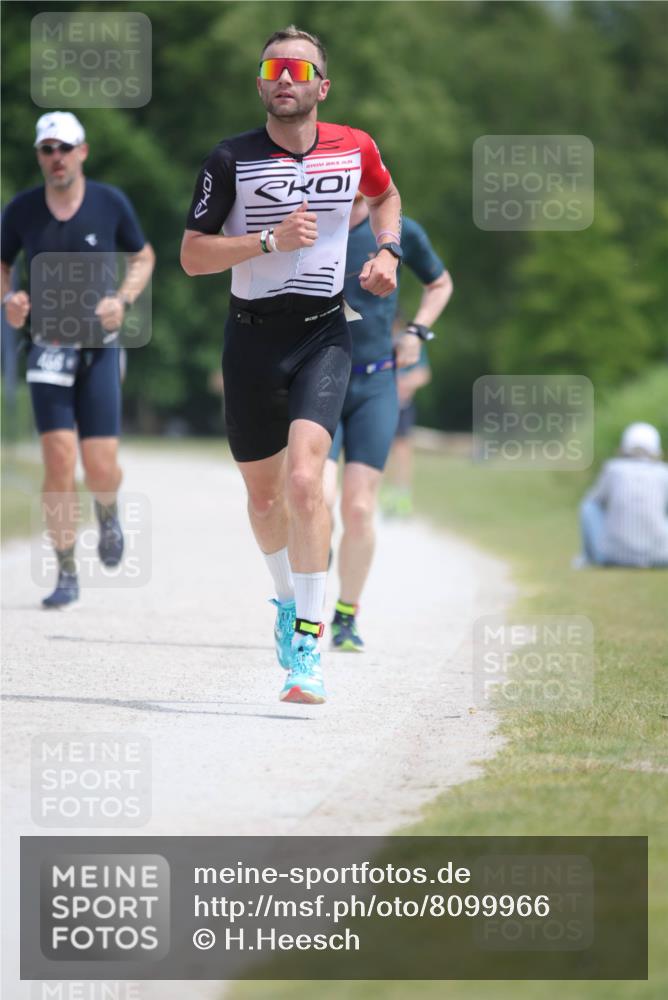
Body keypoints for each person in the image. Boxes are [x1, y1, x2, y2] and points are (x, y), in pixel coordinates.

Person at [180, 26, 401, 704]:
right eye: (273, 67)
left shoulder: (354, 145)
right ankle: (285, 602)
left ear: (320, 87)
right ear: (260, 84)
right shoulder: (230, 159)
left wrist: (387, 251)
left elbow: (386, 195)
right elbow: (192, 254)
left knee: (308, 481)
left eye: (298, 69)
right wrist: (267, 240)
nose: (285, 78)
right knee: (265, 497)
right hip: (250, 339)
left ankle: (307, 644)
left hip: (323, 335)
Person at [1, 111, 155, 608]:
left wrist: (123, 301)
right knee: (59, 461)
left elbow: (144, 256)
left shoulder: (109, 203)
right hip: (47, 347)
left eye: (65, 148)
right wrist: (10, 301)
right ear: (40, 156)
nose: (56, 158)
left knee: (101, 466)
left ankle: (107, 515)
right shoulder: (22, 210)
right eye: (47, 150)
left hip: (100, 350)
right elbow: (2, 266)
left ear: (82, 151)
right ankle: (66, 571)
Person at [323, 196, 452, 650]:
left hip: (376, 384)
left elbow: (440, 283)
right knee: (315, 498)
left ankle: (345, 616)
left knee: (358, 509)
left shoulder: (399, 234)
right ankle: (304, 588)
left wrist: (417, 332)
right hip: (319, 381)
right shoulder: (310, 224)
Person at [578, 422, 668, 568]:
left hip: (613, 555)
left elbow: (595, 502)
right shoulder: (664, 472)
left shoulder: (613, 469)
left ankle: (588, 558)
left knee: (589, 505)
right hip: (662, 555)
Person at [382, 333, 433, 518]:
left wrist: (405, 383)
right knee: (383, 450)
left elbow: (423, 373)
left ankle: (403, 496)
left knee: (403, 451)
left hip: (403, 404)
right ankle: (385, 494)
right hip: (381, 402)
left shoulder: (410, 341)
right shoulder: (379, 339)